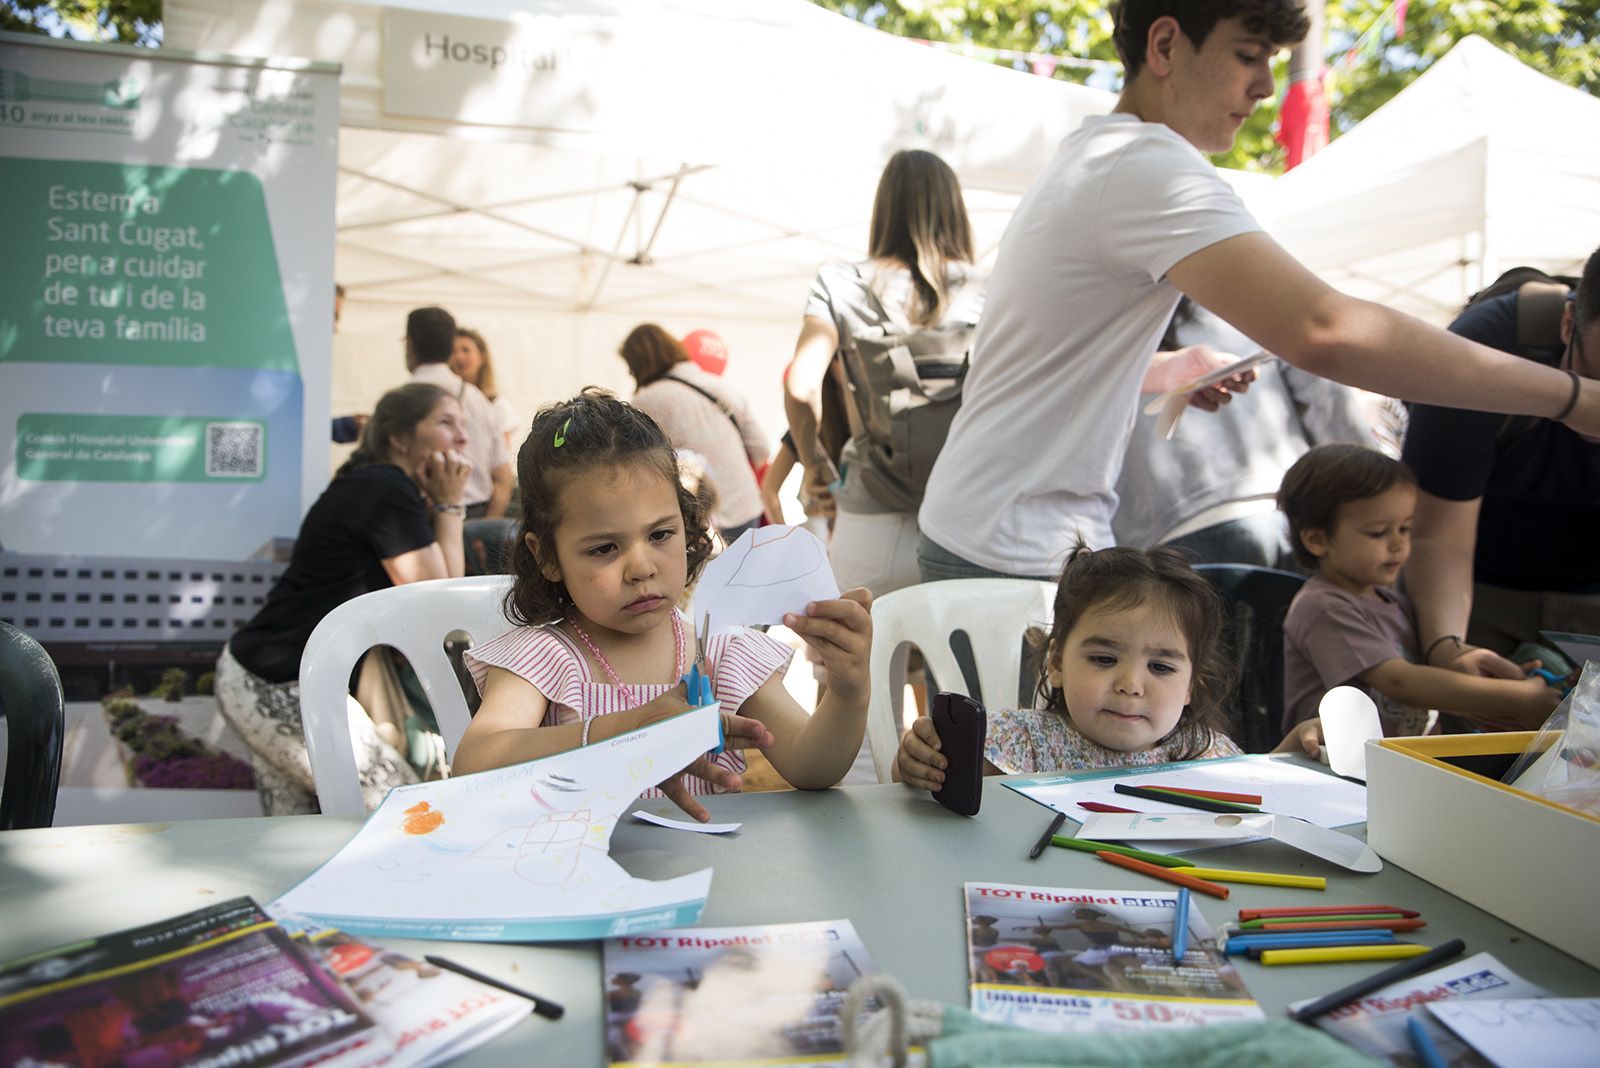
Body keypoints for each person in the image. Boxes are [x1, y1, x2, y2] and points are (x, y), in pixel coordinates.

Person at [916, 0, 1600, 585]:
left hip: (988, 530)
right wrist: (1567, 398)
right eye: (1249, 55)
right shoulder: (1145, 166)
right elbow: (1324, 330)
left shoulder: (1093, 156)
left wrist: (1155, 372)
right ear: (1165, 45)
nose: (1267, 87)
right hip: (1013, 550)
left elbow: (1020, 363)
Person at [451, 389, 872, 821]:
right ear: (547, 557)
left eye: (659, 535)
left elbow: (812, 767)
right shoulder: (546, 658)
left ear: (687, 525)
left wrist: (848, 691)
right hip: (576, 879)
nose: (641, 568)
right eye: (604, 548)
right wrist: (624, 730)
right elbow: (474, 763)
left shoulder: (719, 654)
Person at [216, 383, 473, 814]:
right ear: (400, 438)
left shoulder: (378, 486)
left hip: (265, 676)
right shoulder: (385, 487)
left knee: (298, 836)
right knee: (404, 814)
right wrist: (451, 506)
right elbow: (440, 606)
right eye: (446, 423)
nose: (463, 438)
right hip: (280, 683)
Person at [785, 149, 984, 598]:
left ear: (884, 209)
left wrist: (815, 465)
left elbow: (800, 387)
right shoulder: (990, 287)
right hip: (967, 523)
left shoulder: (838, 281)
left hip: (870, 522)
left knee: (852, 660)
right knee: (954, 667)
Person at [1272, 445, 1561, 754]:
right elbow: (1400, 682)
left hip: (1396, 765)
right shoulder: (1324, 607)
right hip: (1332, 766)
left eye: (1405, 529)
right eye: (1378, 532)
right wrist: (1516, 698)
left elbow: (1426, 690)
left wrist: (1499, 690)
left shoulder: (1393, 603)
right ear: (1316, 539)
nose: (1398, 544)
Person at [1403, 247, 1600, 679]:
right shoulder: (1480, 349)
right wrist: (1447, 650)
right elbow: (1439, 535)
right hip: (1480, 590)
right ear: (1569, 325)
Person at [893, 545, 1242, 788]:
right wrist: (915, 761)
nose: (1131, 685)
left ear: (1191, 684)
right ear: (1057, 661)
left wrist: (1294, 741)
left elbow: (1267, 799)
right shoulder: (1021, 740)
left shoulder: (1206, 753)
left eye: (1161, 667)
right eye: (1104, 659)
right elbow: (930, 781)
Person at [1112, 298, 1390, 569]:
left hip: (1165, 545)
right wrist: (1377, 490)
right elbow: (1328, 404)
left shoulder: (1095, 338)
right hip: (1287, 509)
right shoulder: (1242, 300)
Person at [620, 324, 769, 544]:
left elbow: (637, 466)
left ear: (638, 364)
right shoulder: (721, 387)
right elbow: (761, 449)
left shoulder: (647, 401)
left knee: (704, 578)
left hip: (698, 518)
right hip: (746, 506)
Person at [405, 306, 515, 519]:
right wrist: (484, 530)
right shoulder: (477, 399)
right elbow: (504, 477)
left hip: (421, 523)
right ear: (449, 349)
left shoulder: (398, 403)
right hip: (476, 517)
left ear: (409, 344)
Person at [450, 327, 521, 453]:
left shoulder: (498, 405)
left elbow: (501, 455)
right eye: (453, 351)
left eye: (465, 350)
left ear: (482, 357)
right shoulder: (445, 403)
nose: (459, 356)